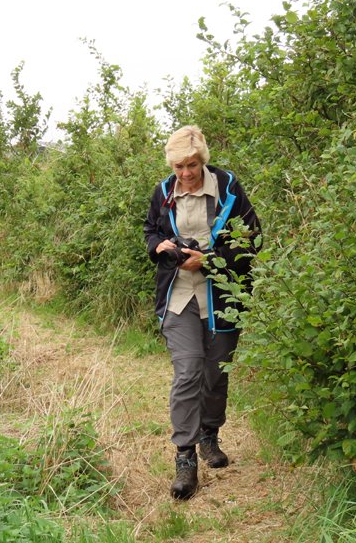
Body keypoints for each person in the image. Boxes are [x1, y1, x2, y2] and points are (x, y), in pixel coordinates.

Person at [143, 125, 261, 499]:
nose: (186, 174)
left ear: (202, 161)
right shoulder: (163, 192)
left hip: (223, 295)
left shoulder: (228, 188)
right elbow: (150, 230)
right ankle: (185, 457)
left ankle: (210, 435)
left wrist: (209, 260)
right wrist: (159, 247)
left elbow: (252, 239)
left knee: (215, 371)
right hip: (178, 296)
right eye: (179, 167)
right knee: (188, 370)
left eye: (192, 165)